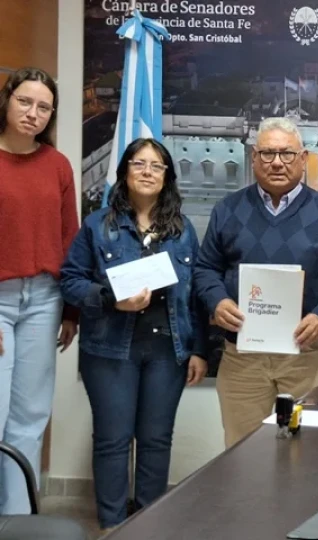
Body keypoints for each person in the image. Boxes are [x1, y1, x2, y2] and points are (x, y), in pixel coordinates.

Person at [59, 138, 208, 533]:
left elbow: (194, 294)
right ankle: (111, 526)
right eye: (139, 164)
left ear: (166, 177)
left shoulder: (182, 230)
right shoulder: (97, 226)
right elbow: (70, 281)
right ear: (124, 171)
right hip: (110, 350)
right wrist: (109, 298)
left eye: (156, 166)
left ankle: (147, 524)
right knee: (112, 440)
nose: (147, 171)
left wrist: (198, 350)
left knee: (157, 441)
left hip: (167, 351)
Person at [194, 117, 318, 447]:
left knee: (302, 451)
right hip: (243, 359)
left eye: (286, 153)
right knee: (243, 451)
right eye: (267, 153)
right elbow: (205, 268)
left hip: (306, 357)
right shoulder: (228, 209)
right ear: (253, 158)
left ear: (303, 158)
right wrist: (218, 301)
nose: (277, 162)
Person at [0, 67, 79, 514]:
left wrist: (71, 310)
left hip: (44, 301)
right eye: (25, 102)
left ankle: (17, 519)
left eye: (44, 107)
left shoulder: (58, 165)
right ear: (7, 102)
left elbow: (70, 238)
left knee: (29, 420)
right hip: (0, 299)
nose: (33, 113)